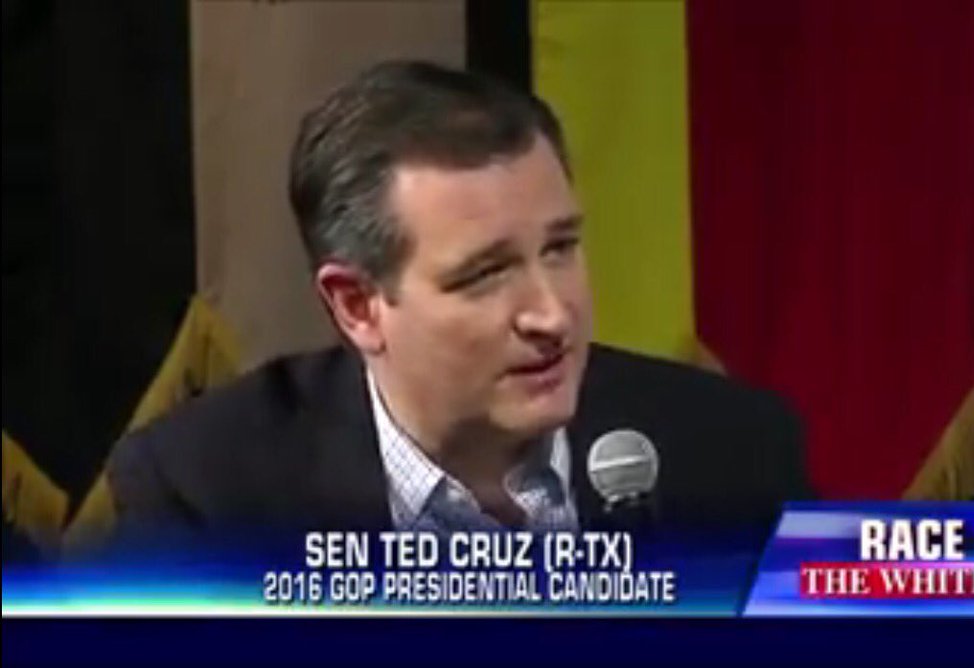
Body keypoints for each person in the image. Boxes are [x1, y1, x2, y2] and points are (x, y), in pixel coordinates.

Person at [108, 61, 810, 540]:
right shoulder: (208, 494)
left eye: (560, 248)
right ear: (358, 306)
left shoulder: (738, 455)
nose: (552, 315)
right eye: (486, 274)